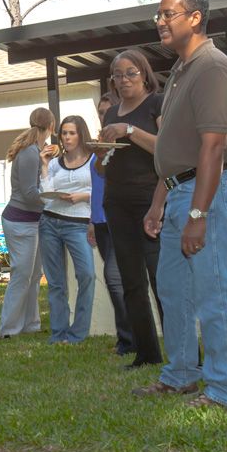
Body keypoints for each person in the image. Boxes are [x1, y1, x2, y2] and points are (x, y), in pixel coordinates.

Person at [136, 0, 227, 408]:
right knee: (173, 290)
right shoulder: (182, 71)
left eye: (169, 14)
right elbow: (174, 151)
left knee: (213, 292)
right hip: (180, 192)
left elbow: (213, 148)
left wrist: (199, 213)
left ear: (196, 18)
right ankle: (182, 373)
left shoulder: (213, 68)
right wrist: (158, 202)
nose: (161, 22)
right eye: (159, 15)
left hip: (210, 193)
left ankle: (224, 390)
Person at [97, 48, 166, 369]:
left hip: (150, 200)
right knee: (131, 282)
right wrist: (100, 154)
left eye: (130, 73)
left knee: (160, 279)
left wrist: (131, 131)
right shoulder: (111, 114)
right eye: (117, 75)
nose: (123, 80)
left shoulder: (157, 103)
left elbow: (167, 149)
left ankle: (183, 355)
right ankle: (147, 354)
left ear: (144, 73)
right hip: (116, 202)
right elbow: (107, 162)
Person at [0, 107, 57, 338]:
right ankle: (8, 329)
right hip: (20, 221)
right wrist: (54, 199)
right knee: (22, 275)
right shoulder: (30, 153)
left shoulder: (36, 151)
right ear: (51, 126)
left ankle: (31, 324)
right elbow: (30, 193)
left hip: (32, 221)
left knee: (33, 275)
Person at [39, 115, 95, 344]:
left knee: (87, 275)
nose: (67, 137)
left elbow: (102, 191)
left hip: (78, 224)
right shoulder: (54, 163)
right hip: (50, 222)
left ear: (81, 134)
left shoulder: (94, 160)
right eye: (64, 133)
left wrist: (83, 196)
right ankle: (59, 333)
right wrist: (43, 166)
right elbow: (45, 193)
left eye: (72, 133)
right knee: (56, 281)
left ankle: (78, 333)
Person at [89, 93, 135, 355]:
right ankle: (126, 339)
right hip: (101, 220)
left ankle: (129, 340)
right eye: (100, 111)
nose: (104, 115)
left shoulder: (125, 143)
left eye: (108, 111)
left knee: (114, 277)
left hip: (120, 219)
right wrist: (92, 221)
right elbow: (97, 182)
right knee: (119, 279)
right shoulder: (99, 143)